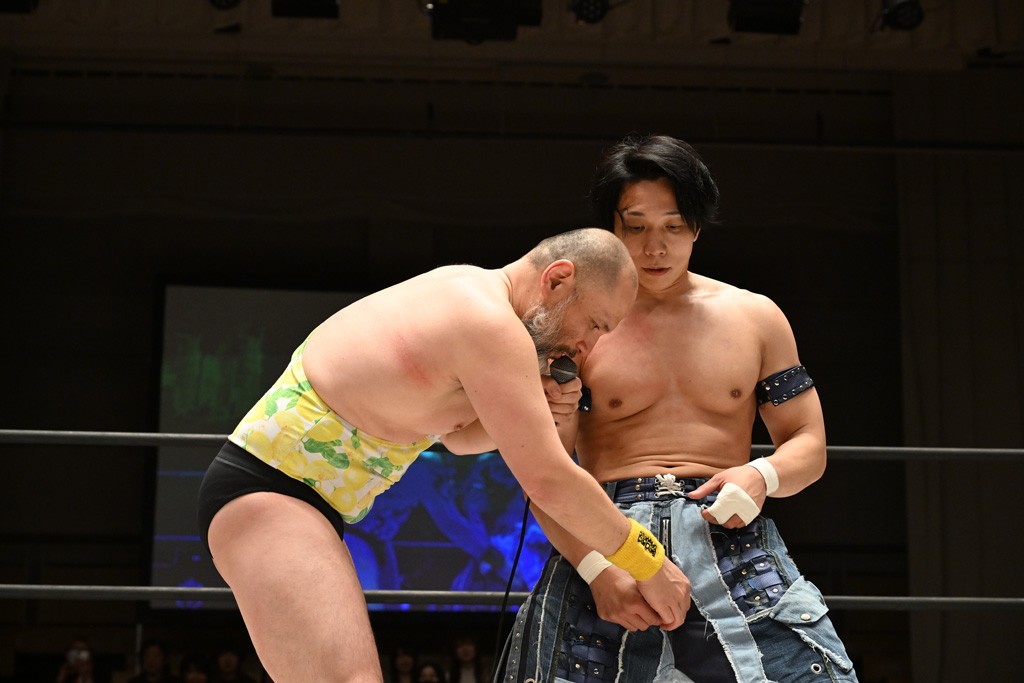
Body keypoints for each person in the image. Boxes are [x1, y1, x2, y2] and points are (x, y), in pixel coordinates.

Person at [197, 228, 692, 683]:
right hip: (270, 490)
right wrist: (648, 561)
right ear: (557, 279)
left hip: (291, 497)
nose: (587, 347)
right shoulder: (487, 323)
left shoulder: (468, 290)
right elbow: (548, 480)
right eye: (594, 324)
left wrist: (532, 405)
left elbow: (456, 439)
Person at [500, 136, 859, 682]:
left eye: (673, 225)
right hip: (607, 533)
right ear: (611, 229)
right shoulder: (577, 324)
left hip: (728, 529)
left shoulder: (757, 317)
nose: (655, 247)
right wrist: (596, 569)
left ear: (696, 226)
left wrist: (761, 475)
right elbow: (544, 470)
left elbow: (808, 444)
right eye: (636, 226)